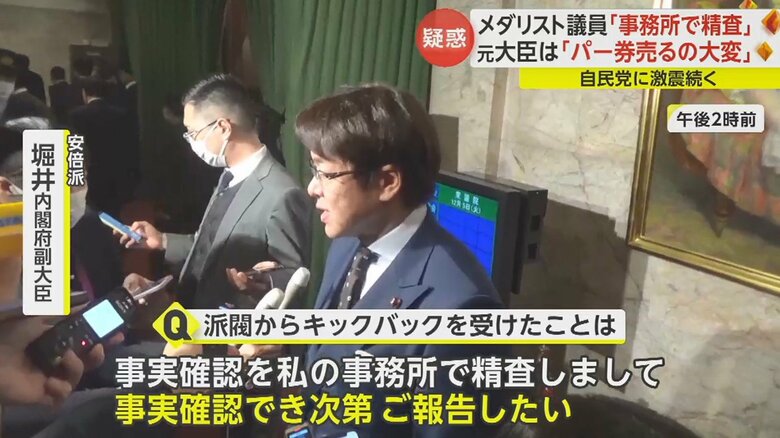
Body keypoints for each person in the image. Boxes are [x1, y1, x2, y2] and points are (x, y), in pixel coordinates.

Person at [298, 83, 510, 437]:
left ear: (387, 182)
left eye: (325, 173)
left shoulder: (463, 309)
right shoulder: (348, 242)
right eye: (313, 169)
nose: (312, 188)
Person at [68, 78, 135, 217]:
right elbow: (127, 145)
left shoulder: (76, 115)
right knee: (113, 213)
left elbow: (75, 148)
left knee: (88, 213)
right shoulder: (120, 114)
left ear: (84, 93)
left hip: (89, 171)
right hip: (114, 170)